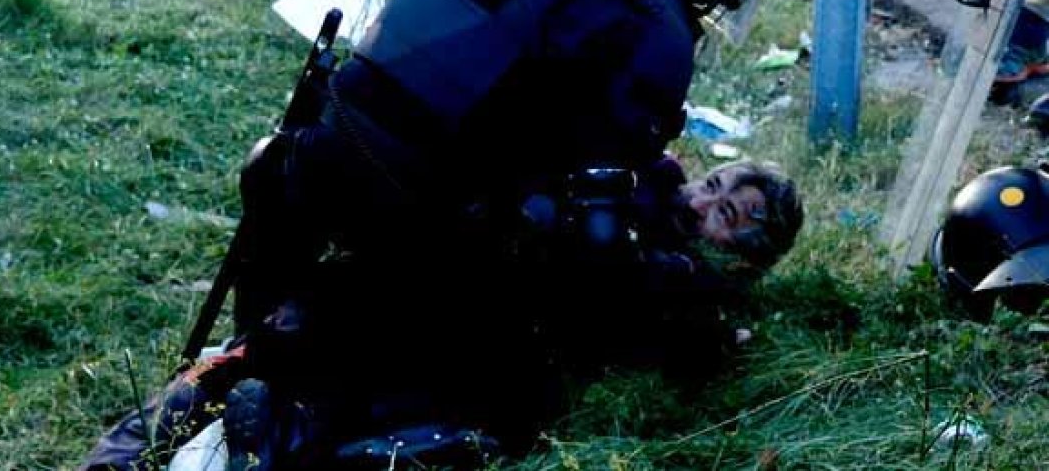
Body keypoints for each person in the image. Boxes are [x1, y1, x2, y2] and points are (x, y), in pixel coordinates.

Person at [80, 0, 783, 469]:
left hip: (314, 155)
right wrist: (685, 329)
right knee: (518, 399)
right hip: (420, 212)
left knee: (329, 318)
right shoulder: (654, 19)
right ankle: (295, 440)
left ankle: (225, 387)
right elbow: (594, 233)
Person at [79, 158, 803, 470]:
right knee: (260, 353)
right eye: (714, 187)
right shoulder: (641, 183)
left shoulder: (686, 292)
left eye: (729, 216)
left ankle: (263, 432)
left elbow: (662, 329)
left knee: (321, 386)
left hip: (462, 350)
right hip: (419, 290)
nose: (705, 205)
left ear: (747, 256)